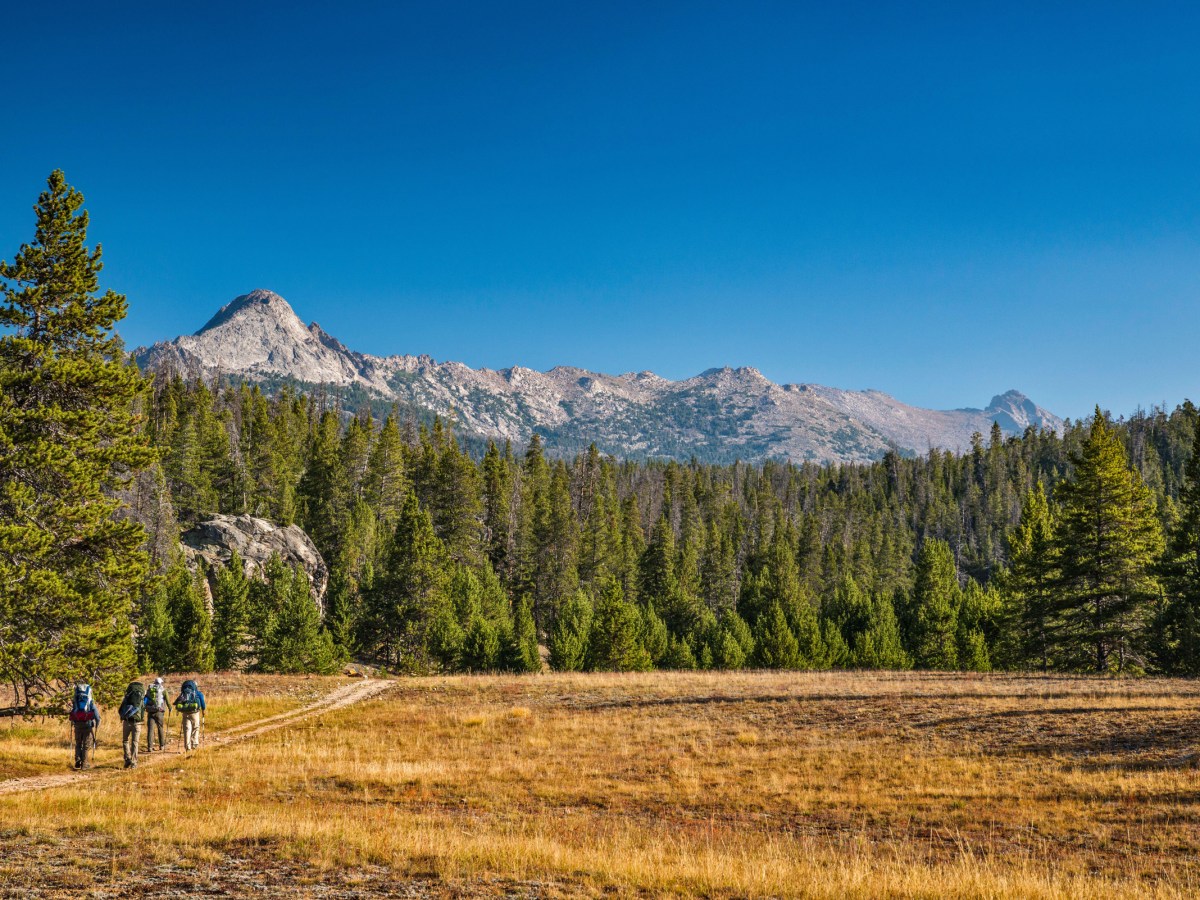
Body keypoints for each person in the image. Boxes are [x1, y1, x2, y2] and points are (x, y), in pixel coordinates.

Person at [67, 682, 100, 770]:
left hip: (77, 725)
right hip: (87, 725)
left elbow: (72, 713)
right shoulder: (90, 703)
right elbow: (97, 717)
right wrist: (97, 724)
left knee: (78, 743)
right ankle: (84, 764)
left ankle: (77, 759)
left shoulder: (76, 701)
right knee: (85, 745)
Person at [118, 680, 146, 769]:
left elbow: (121, 708)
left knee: (125, 740)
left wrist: (122, 716)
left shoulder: (127, 696)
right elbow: (143, 708)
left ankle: (127, 758)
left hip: (127, 721)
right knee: (135, 742)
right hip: (137, 723)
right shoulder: (142, 697)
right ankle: (134, 762)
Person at [174, 679, 206, 751]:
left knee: (187, 729)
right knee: (195, 728)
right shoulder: (198, 693)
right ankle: (194, 744)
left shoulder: (184, 693)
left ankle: (187, 747)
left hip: (185, 713)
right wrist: (203, 710)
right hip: (194, 713)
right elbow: (203, 703)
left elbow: (177, 702)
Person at [143, 677, 170, 752]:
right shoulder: (163, 690)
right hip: (159, 712)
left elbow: (145, 701)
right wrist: (170, 708)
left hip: (150, 711)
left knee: (150, 730)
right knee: (160, 728)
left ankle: (150, 747)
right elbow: (167, 701)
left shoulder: (149, 690)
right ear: (161, 683)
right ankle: (162, 746)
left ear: (154, 682)